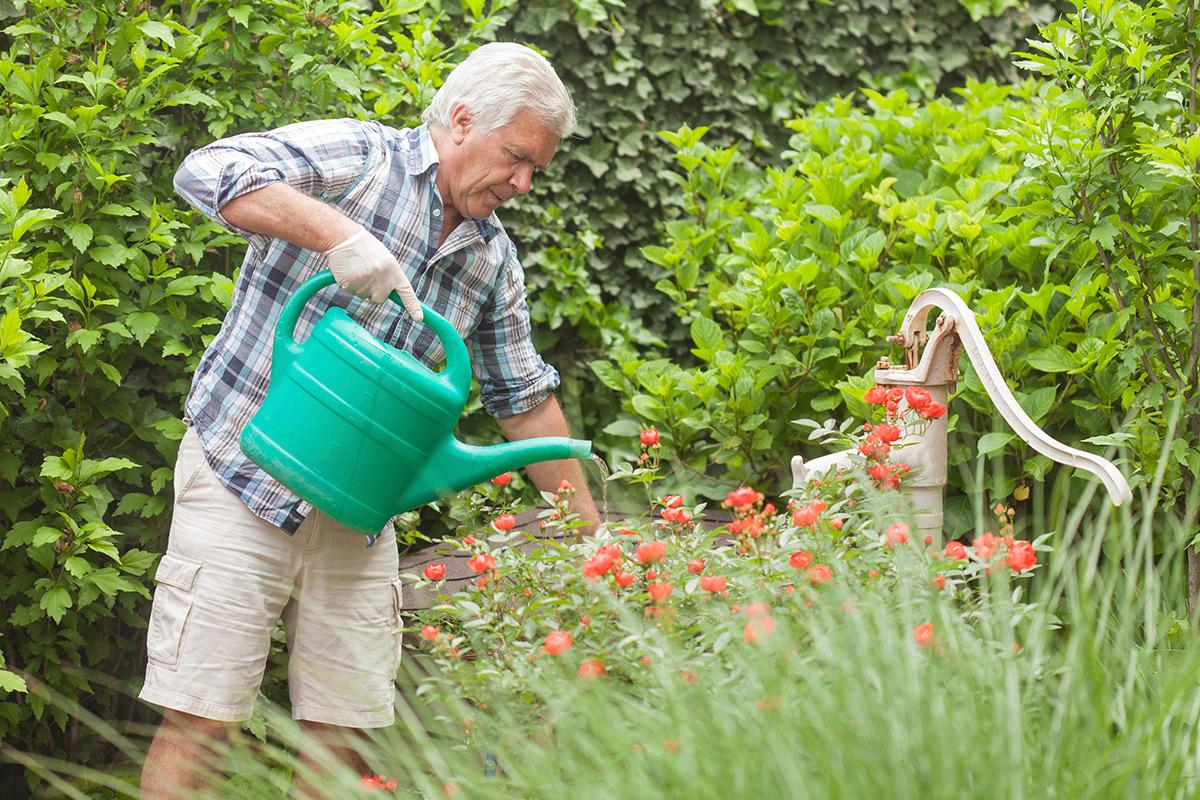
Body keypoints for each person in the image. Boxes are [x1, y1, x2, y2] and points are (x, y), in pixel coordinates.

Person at [138, 42, 600, 799]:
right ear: (459, 121)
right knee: (202, 718)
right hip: (242, 480)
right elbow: (206, 171)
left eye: (535, 170)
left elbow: (523, 400)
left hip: (359, 520)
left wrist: (593, 540)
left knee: (341, 735)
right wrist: (341, 237)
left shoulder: (491, 258)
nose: (523, 182)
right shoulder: (360, 157)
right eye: (517, 158)